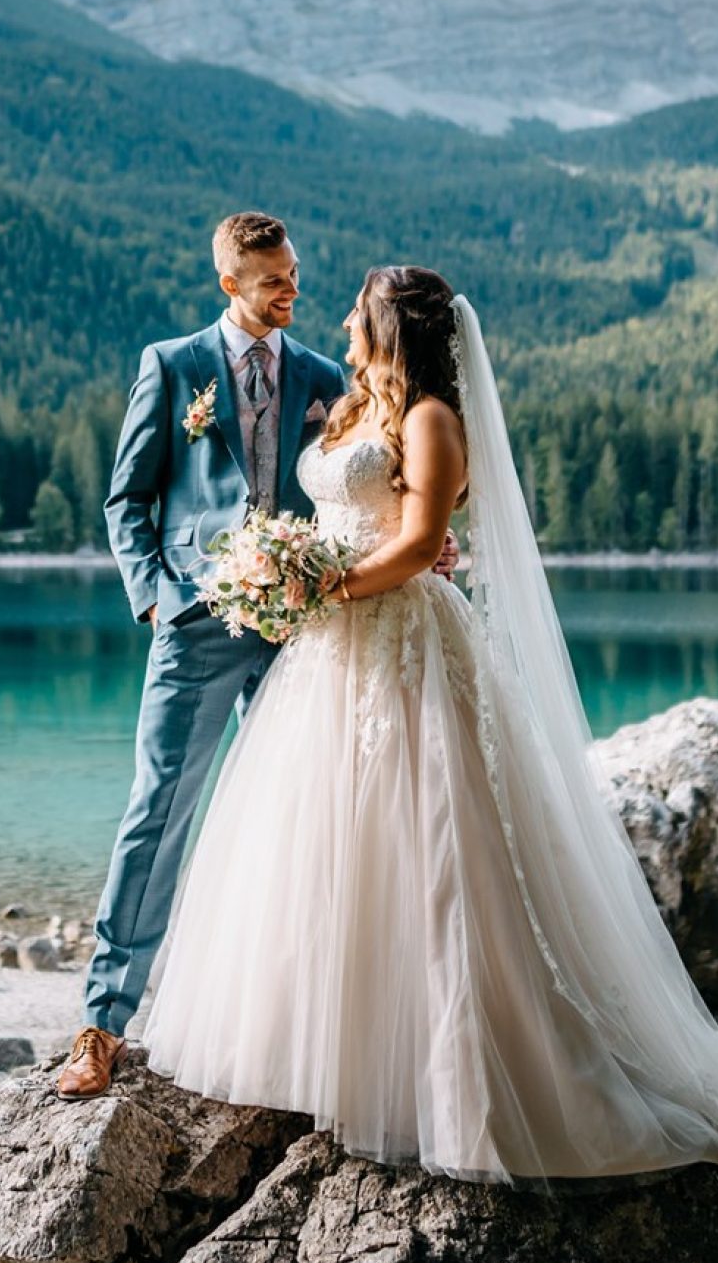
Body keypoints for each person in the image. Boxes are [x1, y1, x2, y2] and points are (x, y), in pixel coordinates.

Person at [138, 266, 718, 1222]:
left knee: (430, 838)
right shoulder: (355, 405)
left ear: (390, 324)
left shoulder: (434, 417)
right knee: (325, 840)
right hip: (330, 653)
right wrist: (289, 569)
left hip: (398, 639)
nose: (344, 321)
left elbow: (416, 540)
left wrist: (318, 590)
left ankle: (454, 1077)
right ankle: (332, 1051)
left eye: (358, 311)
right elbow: (341, 511)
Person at [57, 219, 459, 1098]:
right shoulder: (171, 366)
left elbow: (384, 470)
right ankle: (101, 1024)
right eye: (273, 280)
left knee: (314, 819)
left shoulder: (324, 377)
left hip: (311, 633)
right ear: (228, 283)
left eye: (295, 274)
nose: (291, 292)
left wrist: (425, 539)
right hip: (199, 620)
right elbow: (126, 500)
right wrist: (158, 596)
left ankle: (305, 1024)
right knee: (159, 811)